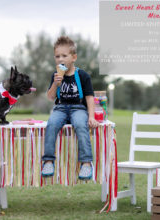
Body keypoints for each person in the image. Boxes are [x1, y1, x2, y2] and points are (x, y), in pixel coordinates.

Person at [41, 36, 99, 180]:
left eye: (64, 56)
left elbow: (89, 97)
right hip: (60, 108)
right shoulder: (55, 76)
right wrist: (55, 84)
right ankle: (48, 161)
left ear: (74, 57)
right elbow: (50, 97)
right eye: (57, 56)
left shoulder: (83, 75)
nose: (60, 59)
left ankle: (86, 163)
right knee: (52, 124)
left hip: (78, 107)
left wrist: (91, 116)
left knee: (80, 124)